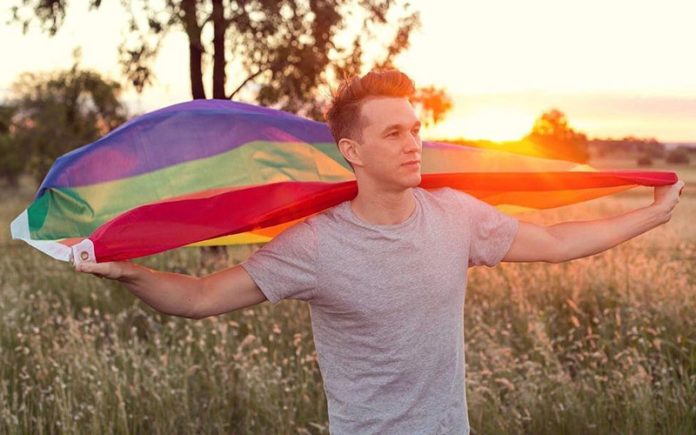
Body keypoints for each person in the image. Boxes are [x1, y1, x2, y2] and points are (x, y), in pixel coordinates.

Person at [75, 70, 684, 434]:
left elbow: (554, 244)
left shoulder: (456, 217)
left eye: (416, 129)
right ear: (353, 152)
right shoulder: (316, 245)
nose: (414, 143)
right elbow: (202, 298)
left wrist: (648, 217)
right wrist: (127, 270)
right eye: (394, 133)